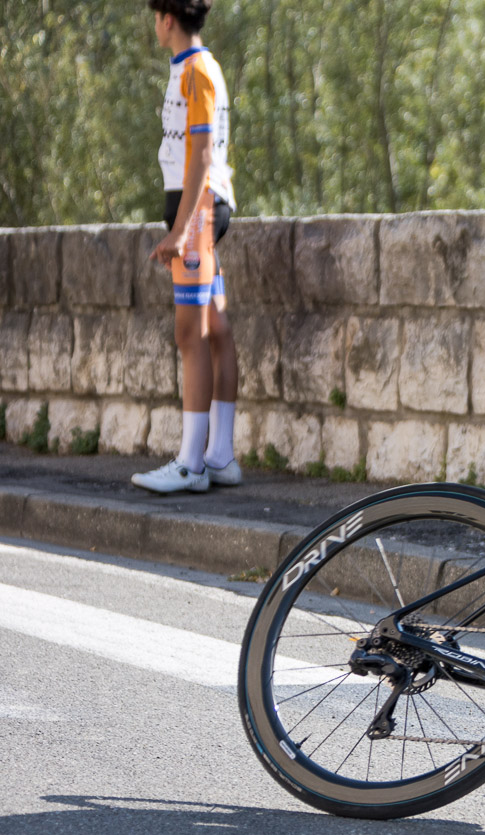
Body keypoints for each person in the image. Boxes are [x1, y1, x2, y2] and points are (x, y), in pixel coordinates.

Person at [132, 0, 241, 494]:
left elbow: (199, 155)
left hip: (196, 212)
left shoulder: (195, 71)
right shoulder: (199, 67)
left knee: (189, 333)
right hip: (202, 208)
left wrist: (180, 230)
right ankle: (220, 456)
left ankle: (190, 464)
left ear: (167, 19)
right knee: (215, 325)